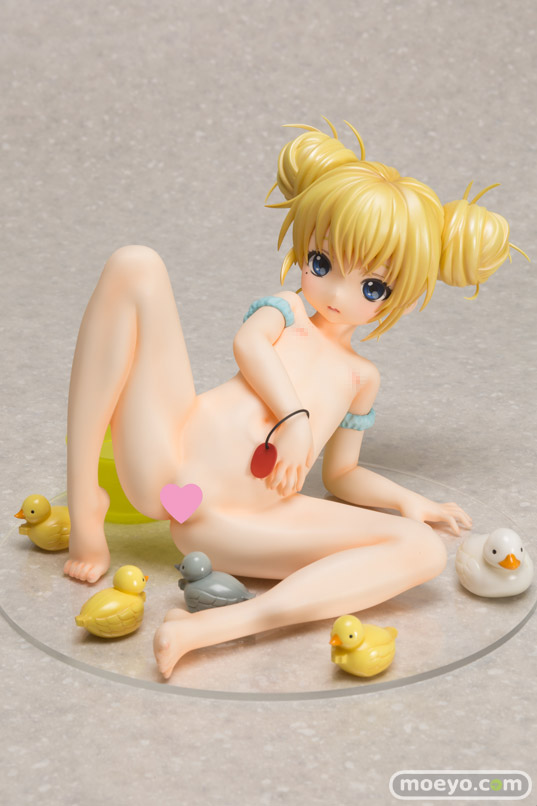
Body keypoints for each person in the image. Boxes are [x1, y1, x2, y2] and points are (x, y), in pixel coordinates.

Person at [63, 121, 523, 678]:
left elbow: (342, 476)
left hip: (239, 521)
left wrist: (409, 501)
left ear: (397, 297)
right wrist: (295, 418)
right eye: (321, 263)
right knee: (135, 264)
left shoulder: (361, 376)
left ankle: (210, 628)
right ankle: (86, 503)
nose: (336, 292)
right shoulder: (288, 312)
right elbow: (248, 345)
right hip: (169, 461)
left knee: (423, 550)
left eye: (372, 287)